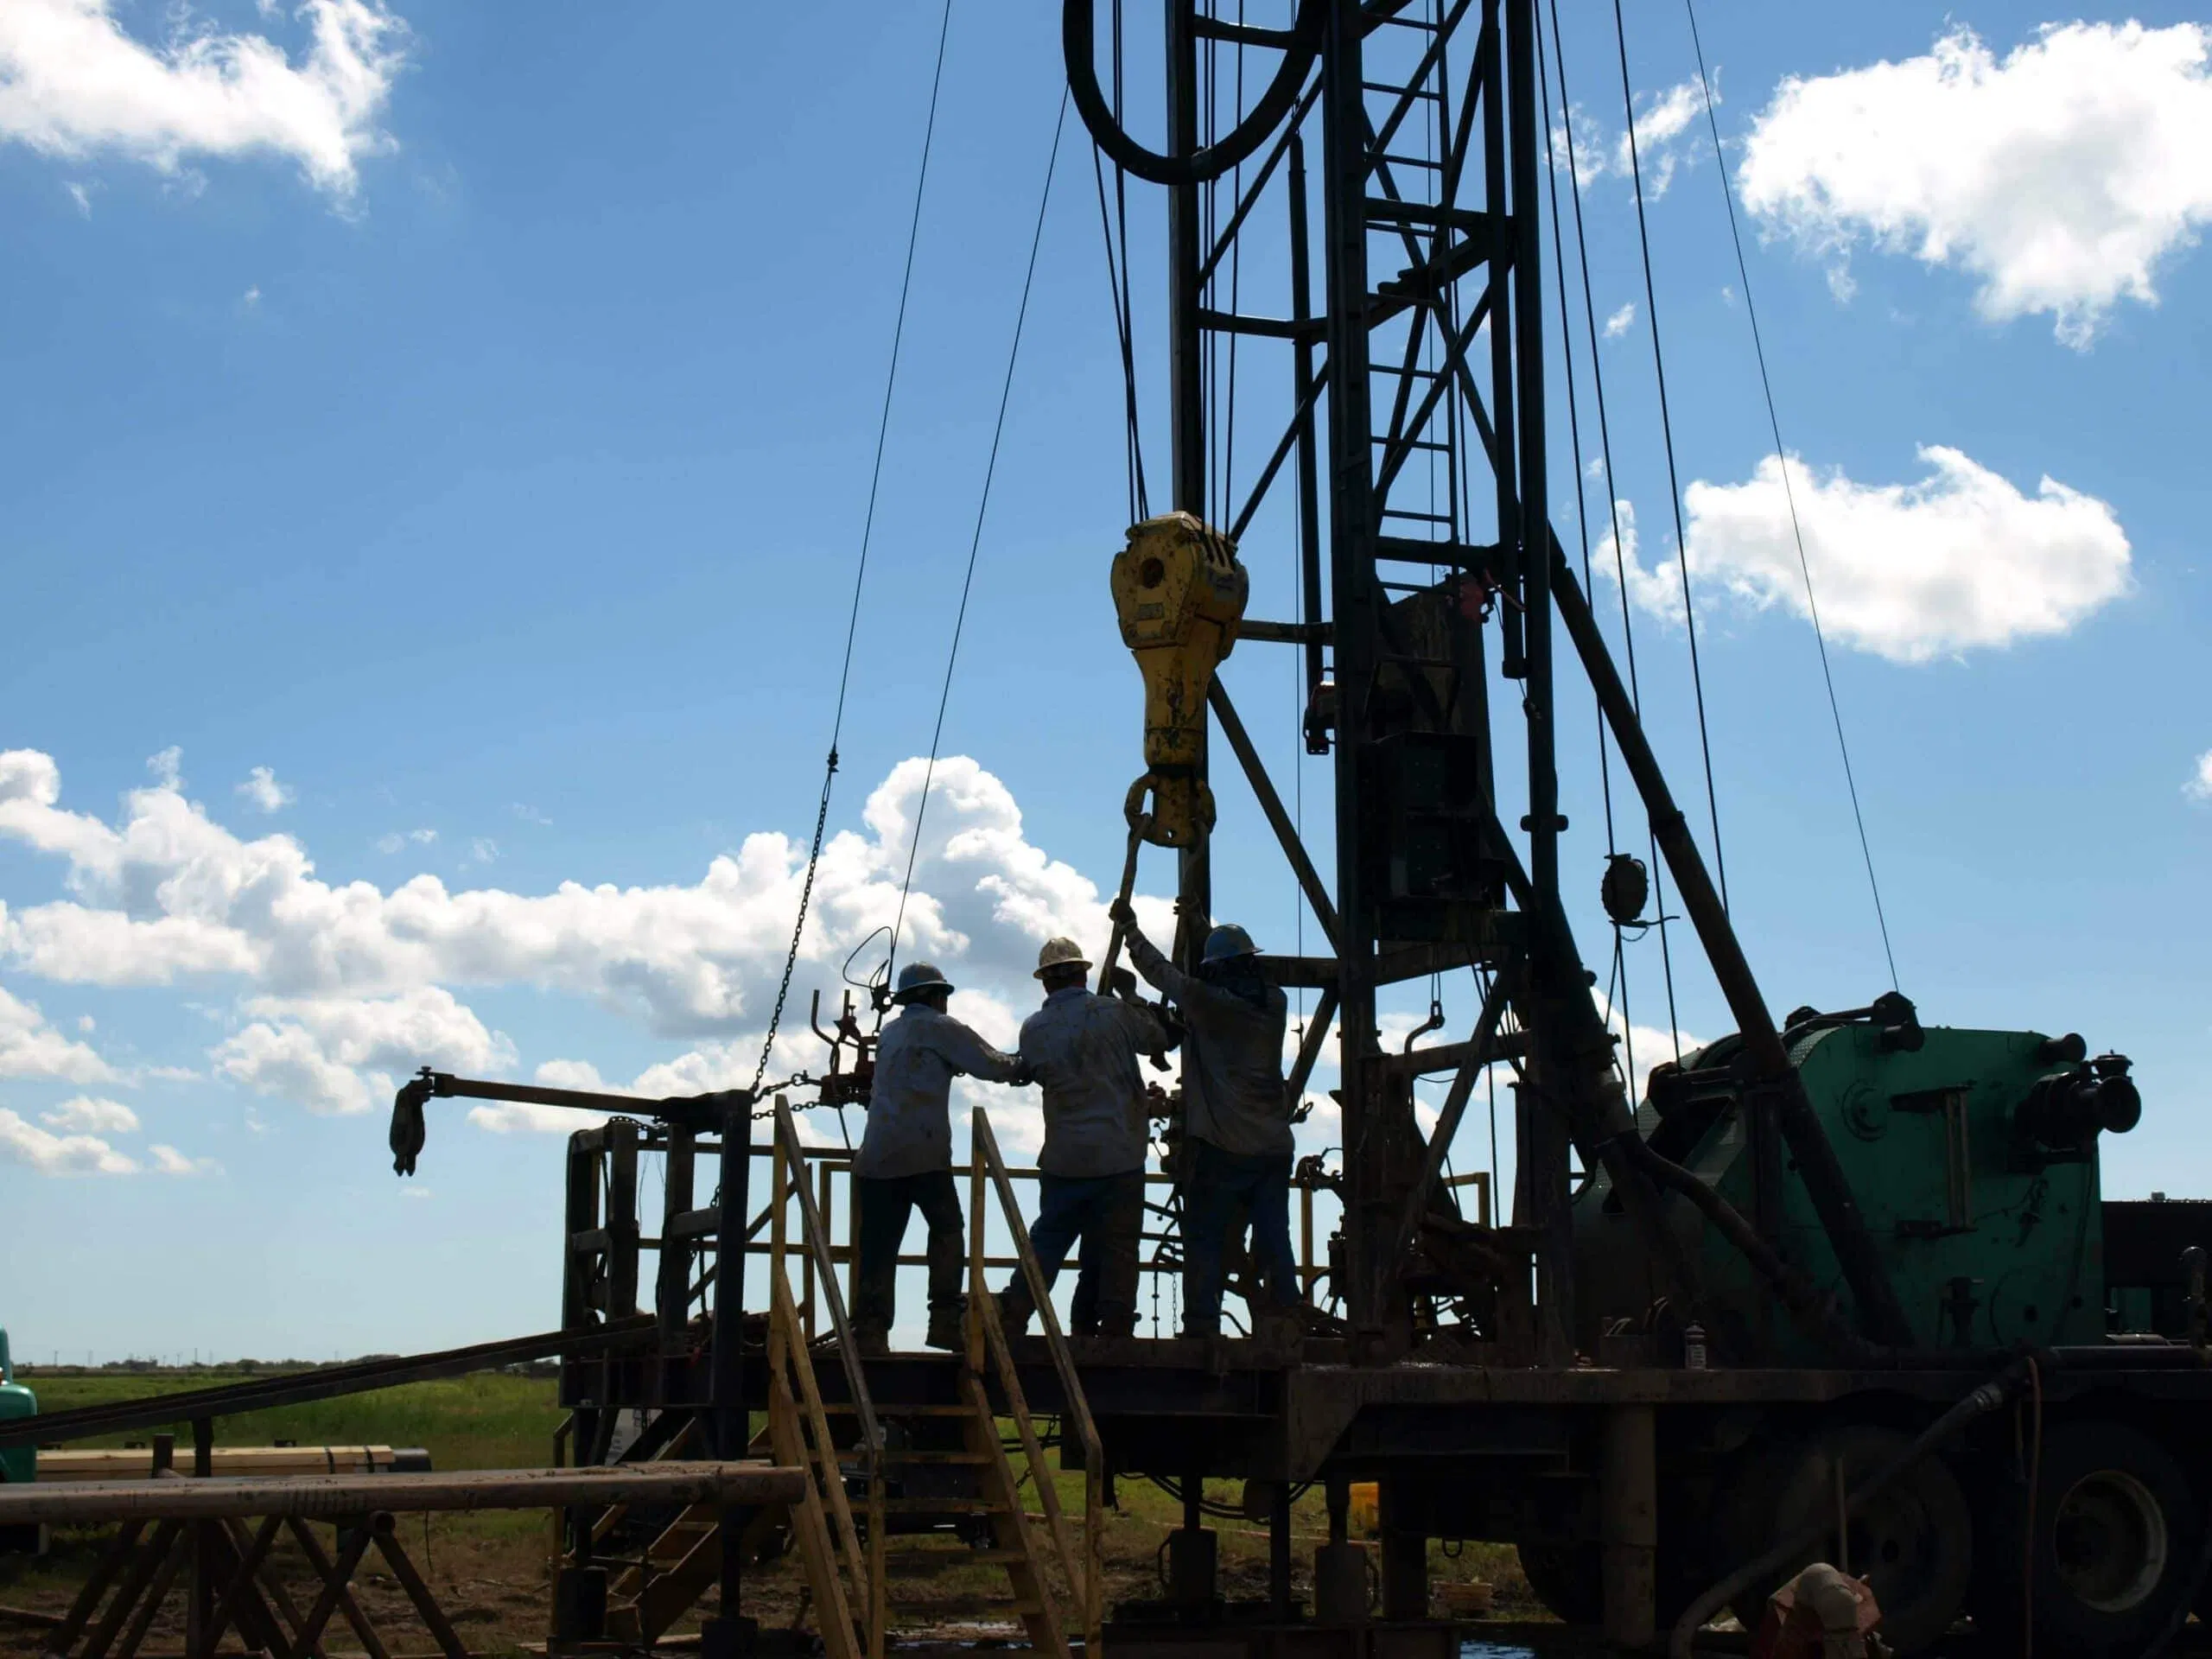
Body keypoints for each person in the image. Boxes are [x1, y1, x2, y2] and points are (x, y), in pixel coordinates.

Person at [1109, 899, 1296, 1338]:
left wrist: (1130, 930)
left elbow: (1165, 976)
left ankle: (1202, 1325)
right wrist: (1199, 924)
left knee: (1205, 1239)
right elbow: (1203, 997)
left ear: (1215, 971)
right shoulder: (1275, 1001)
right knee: (1275, 1238)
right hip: (1273, 1147)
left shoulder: (1209, 1003)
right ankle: (1287, 1318)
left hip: (1224, 1148)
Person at [853, 960, 1027, 1355]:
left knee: (879, 1245)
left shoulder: (891, 1032)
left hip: (876, 1158)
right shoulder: (939, 1027)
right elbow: (990, 1063)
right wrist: (1026, 1066)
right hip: (924, 1153)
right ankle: (945, 1320)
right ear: (935, 996)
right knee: (947, 1230)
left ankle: (870, 1331)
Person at [1004, 936, 1170, 1339]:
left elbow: (1048, 1074)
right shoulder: (1113, 1012)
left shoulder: (1033, 1029)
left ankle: (1013, 1314)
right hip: (1120, 1156)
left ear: (1045, 983)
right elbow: (1158, 1041)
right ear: (1084, 973)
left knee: (1048, 1242)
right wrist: (1132, 996)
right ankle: (1113, 1325)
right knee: (1118, 1247)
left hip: (1066, 1160)